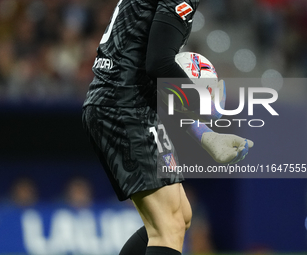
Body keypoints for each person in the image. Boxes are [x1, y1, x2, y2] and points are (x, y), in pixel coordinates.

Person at [82, 0, 253, 254]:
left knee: (181, 215)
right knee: (168, 226)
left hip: (127, 103)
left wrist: (203, 134)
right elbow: (159, 64)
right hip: (124, 105)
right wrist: (203, 103)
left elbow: (152, 74)